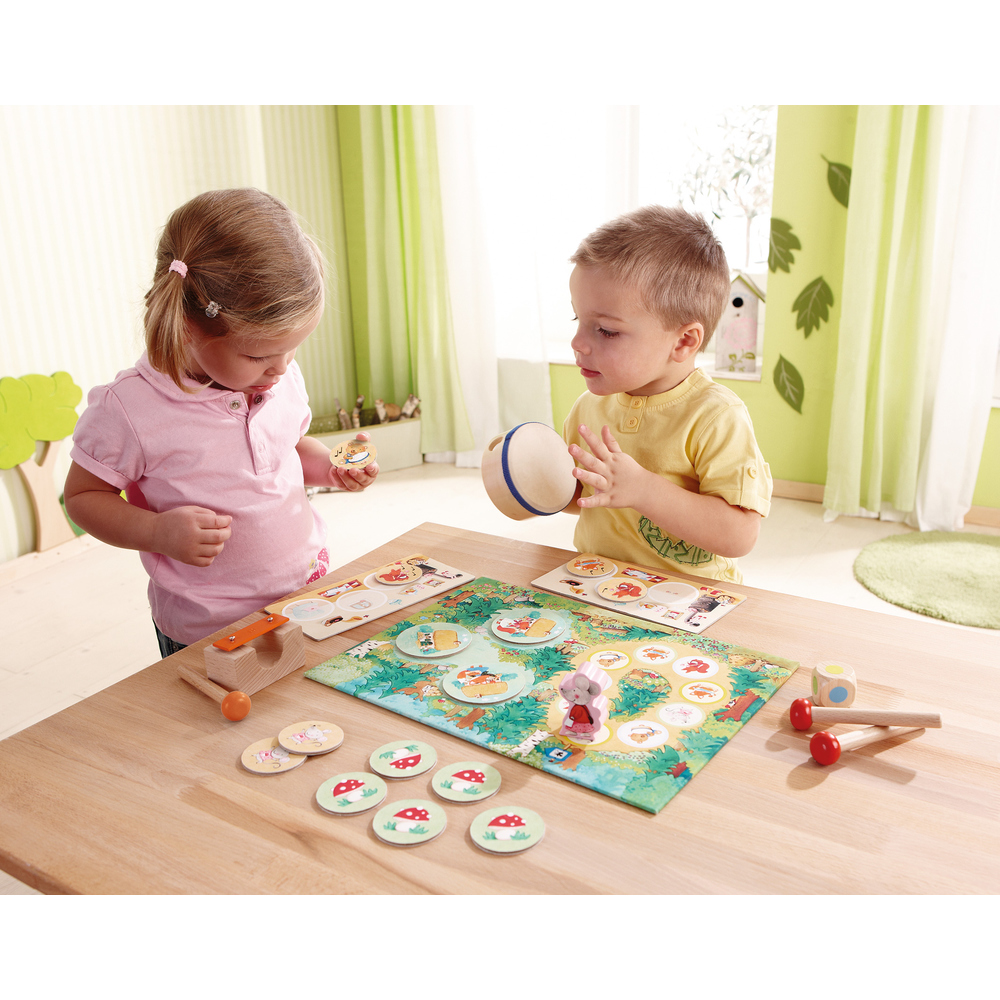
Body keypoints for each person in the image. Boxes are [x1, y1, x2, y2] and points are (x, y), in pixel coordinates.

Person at [64, 188, 379, 656]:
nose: (281, 368)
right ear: (189, 327)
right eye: (258, 355)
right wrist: (157, 532)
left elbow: (288, 450)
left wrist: (332, 469)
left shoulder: (278, 375)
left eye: (292, 349)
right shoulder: (129, 408)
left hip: (306, 593)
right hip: (207, 627)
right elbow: (83, 497)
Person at [563, 204, 771, 585]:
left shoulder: (716, 417)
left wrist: (644, 490)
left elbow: (740, 535)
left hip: (687, 600)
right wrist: (533, 479)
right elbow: (581, 496)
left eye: (606, 330)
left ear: (684, 341)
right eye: (578, 319)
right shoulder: (588, 408)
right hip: (598, 587)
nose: (578, 343)